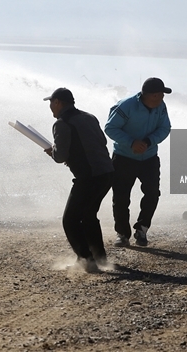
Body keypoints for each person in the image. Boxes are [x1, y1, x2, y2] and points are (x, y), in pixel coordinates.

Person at [43, 88, 115, 272]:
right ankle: (100, 257)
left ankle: (86, 260)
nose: (50, 107)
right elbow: (100, 142)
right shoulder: (89, 117)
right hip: (107, 173)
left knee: (70, 220)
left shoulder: (62, 123)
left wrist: (53, 152)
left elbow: (60, 157)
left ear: (58, 102)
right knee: (89, 215)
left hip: (89, 177)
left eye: (51, 102)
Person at [106, 77, 172, 247]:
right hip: (123, 158)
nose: (162, 98)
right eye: (161, 95)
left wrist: (149, 141)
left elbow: (165, 128)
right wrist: (131, 142)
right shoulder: (125, 105)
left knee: (152, 193)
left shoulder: (161, 106)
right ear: (154, 95)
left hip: (149, 158)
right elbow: (110, 128)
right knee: (121, 197)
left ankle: (142, 229)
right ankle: (122, 234)